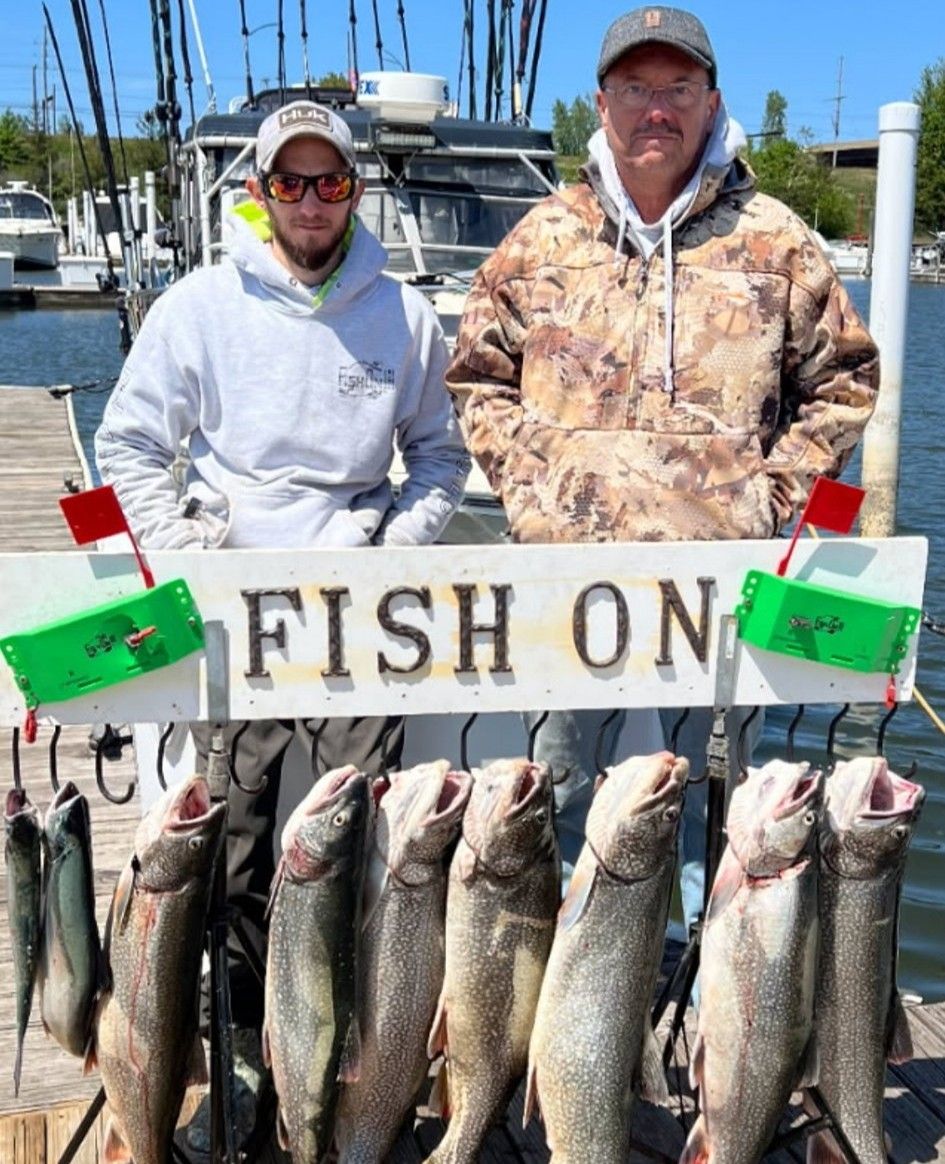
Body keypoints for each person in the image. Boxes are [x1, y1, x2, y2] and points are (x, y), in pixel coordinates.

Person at [445, 7, 878, 920]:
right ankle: (553, 1025)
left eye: (677, 89)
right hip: (567, 586)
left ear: (710, 101)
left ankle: (682, 1018)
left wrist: (767, 498)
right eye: (635, 89)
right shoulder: (539, 240)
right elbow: (475, 378)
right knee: (552, 801)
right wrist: (533, 490)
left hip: (717, 589)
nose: (656, 109)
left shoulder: (776, 240)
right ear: (600, 104)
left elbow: (842, 383)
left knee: (700, 819)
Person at [95, 100, 470, 1152]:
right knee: (238, 855)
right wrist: (194, 554)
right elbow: (129, 447)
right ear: (259, 193)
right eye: (290, 182)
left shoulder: (404, 316)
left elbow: (438, 456)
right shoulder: (197, 307)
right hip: (236, 623)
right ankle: (254, 1064)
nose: (311, 201)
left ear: (356, 190)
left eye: (332, 182)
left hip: (359, 622)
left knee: (367, 854)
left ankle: (355, 1072)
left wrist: (391, 554)